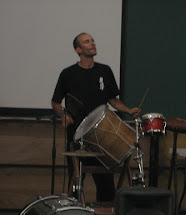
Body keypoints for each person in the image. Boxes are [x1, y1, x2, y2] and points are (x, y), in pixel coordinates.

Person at [51, 32, 141, 203]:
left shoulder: (104, 71)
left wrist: (128, 110)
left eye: (92, 40)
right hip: (77, 136)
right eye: (86, 41)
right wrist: (63, 115)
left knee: (106, 184)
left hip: (102, 135)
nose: (92, 43)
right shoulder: (68, 74)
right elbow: (55, 102)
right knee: (77, 182)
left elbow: (112, 99)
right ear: (78, 49)